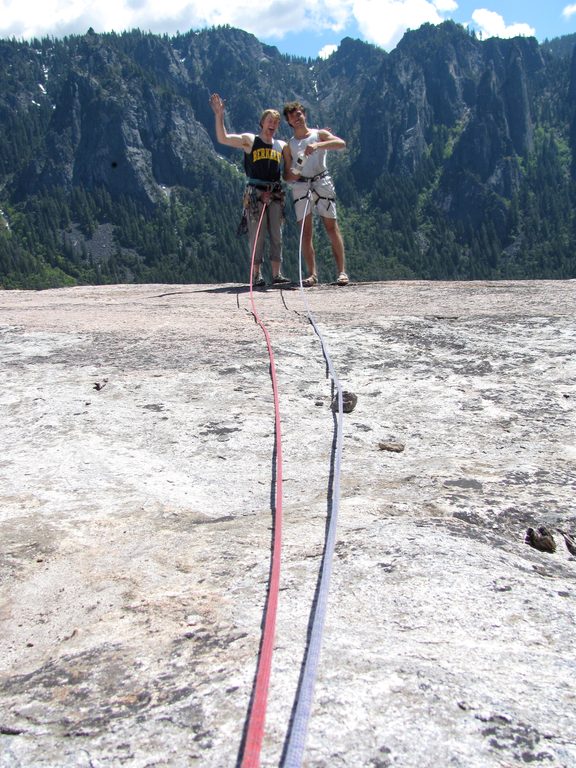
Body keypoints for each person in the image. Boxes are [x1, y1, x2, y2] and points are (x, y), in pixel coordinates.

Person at [209, 93, 291, 287]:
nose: (273, 125)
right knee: (257, 234)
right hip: (255, 193)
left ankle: (276, 274)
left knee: (276, 234)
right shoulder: (250, 141)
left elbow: (290, 169)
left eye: (276, 123)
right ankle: (256, 275)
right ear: (262, 123)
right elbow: (224, 138)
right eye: (270, 121)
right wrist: (219, 115)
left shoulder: (281, 146)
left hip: (275, 192)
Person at [283, 101, 349, 287]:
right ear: (289, 121)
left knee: (331, 227)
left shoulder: (318, 135)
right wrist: (295, 170)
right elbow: (287, 175)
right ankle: (312, 274)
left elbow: (341, 143)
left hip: (321, 180)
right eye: (292, 116)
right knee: (306, 232)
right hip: (302, 185)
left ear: (304, 115)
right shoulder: (290, 145)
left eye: (298, 114)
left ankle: (341, 272)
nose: (296, 118)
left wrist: (318, 146)